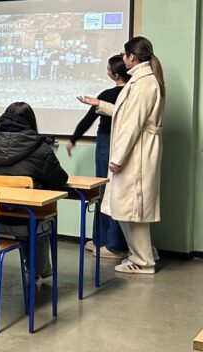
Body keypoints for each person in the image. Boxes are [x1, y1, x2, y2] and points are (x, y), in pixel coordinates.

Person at [78, 37, 165, 275]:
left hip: (136, 153)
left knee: (133, 208)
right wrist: (100, 104)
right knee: (129, 208)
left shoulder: (144, 83)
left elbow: (132, 124)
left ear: (131, 57)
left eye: (124, 54)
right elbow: (126, 114)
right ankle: (143, 254)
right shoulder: (140, 80)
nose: (122, 58)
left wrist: (116, 158)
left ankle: (143, 260)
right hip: (136, 150)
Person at [0, 102, 69, 279]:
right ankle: (38, 268)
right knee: (47, 213)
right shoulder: (41, 150)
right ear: (31, 122)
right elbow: (59, 180)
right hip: (24, 225)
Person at [68, 55, 131, 260]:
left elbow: (88, 119)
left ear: (115, 74)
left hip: (107, 142)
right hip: (127, 143)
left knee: (106, 191)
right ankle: (107, 241)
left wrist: (73, 139)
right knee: (119, 191)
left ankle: (108, 243)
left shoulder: (108, 94)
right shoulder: (133, 93)